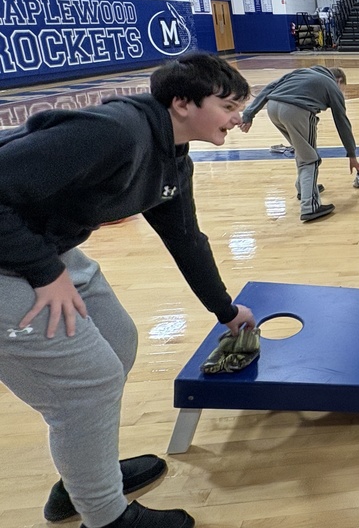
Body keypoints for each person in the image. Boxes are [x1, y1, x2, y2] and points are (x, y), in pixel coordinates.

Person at [0, 53, 257, 528]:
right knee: (88, 382)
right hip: (20, 255)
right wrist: (44, 272)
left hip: (39, 245)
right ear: (182, 103)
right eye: (228, 107)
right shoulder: (115, 132)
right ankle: (105, 517)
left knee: (118, 342)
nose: (237, 119)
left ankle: (84, 476)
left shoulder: (172, 157)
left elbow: (186, 238)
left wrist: (224, 310)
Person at [239, 66, 359, 221]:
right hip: (297, 110)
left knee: (303, 150)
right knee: (310, 159)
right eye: (342, 89)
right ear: (338, 80)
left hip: (273, 108)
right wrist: (351, 154)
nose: (341, 92)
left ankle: (304, 188)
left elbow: (269, 88)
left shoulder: (301, 72)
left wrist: (249, 114)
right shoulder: (331, 84)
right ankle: (310, 206)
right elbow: (342, 121)